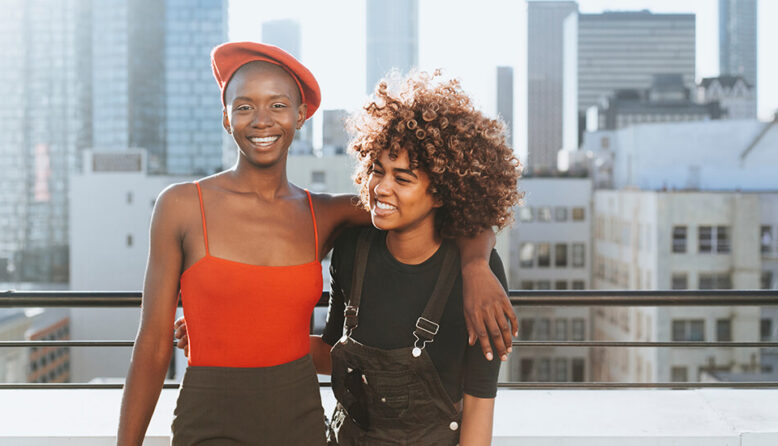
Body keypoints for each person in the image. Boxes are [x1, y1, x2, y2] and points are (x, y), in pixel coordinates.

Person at [117, 41, 517, 446]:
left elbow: (456, 207)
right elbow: (152, 347)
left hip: (301, 425)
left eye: (277, 105)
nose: (261, 120)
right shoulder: (180, 206)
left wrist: (475, 268)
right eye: (243, 107)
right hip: (207, 423)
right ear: (225, 118)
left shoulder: (326, 214)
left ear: (300, 115)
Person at [309, 70, 521, 445]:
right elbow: (332, 352)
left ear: (441, 193)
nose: (381, 188)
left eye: (403, 179)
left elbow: (478, 406)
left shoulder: (476, 275)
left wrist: (477, 265)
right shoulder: (351, 250)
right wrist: (233, 338)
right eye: (377, 171)